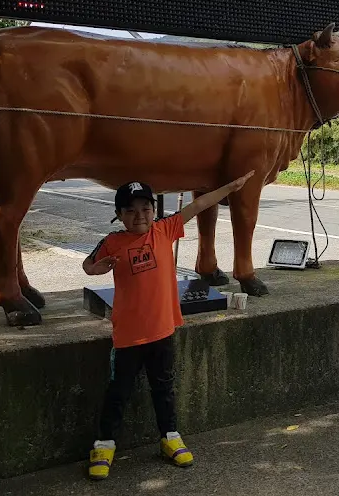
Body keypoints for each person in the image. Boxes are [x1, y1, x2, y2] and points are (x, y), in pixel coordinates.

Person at [82, 171, 255, 480]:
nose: (139, 216)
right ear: (119, 215)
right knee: (118, 391)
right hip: (128, 337)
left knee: (163, 388)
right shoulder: (112, 242)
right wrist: (97, 268)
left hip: (162, 331)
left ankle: (170, 437)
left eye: (146, 209)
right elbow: (88, 266)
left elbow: (199, 204)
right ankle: (104, 443)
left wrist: (231, 187)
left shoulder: (165, 230)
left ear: (154, 211)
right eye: (131, 210)